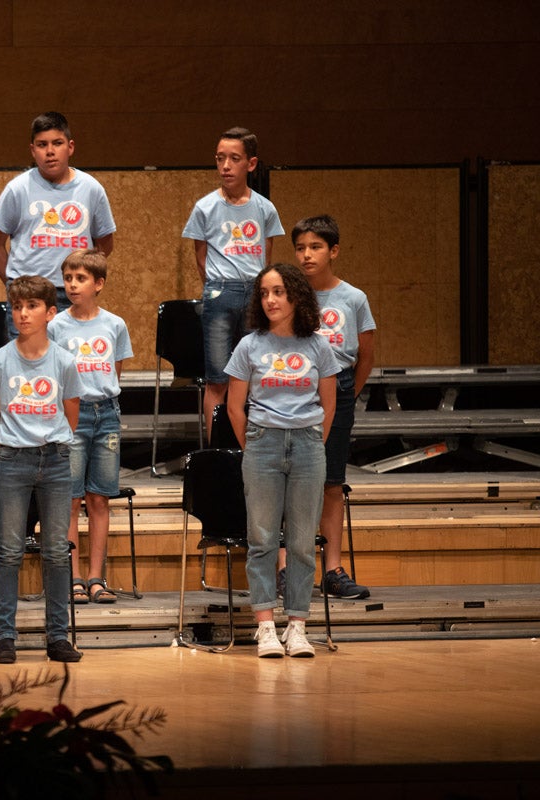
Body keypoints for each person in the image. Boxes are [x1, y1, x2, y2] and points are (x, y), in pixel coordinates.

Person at [225, 263, 337, 658]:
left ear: (296, 296)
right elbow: (235, 408)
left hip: (307, 443)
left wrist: (309, 442)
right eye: (264, 293)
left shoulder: (318, 346)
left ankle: (298, 626)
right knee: (262, 539)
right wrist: (257, 443)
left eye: (278, 292)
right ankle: (266, 627)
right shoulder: (249, 346)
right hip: (263, 444)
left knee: (304, 541)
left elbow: (329, 404)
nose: (270, 300)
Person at [0, 275, 82, 664]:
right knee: (9, 550)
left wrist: (51, 441)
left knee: (56, 551)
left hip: (55, 460)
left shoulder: (65, 361)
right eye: (17, 306)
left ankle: (58, 636)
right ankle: (5, 637)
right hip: (13, 461)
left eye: (32, 306)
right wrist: (8, 443)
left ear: (50, 312)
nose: (23, 313)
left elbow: (71, 412)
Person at [275, 215, 375, 600]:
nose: (306, 255)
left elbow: (364, 355)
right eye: (300, 248)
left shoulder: (353, 298)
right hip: (294, 388)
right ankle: (286, 569)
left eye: (315, 247)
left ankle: (332, 570)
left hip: (340, 388)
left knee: (332, 482)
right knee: (288, 478)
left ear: (333, 251)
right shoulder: (288, 295)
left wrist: (343, 393)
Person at [182, 127, 284, 438]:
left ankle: (254, 441)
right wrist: (215, 288)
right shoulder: (206, 207)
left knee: (255, 371)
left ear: (250, 164)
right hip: (220, 291)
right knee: (217, 377)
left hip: (254, 293)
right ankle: (216, 447)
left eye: (234, 159)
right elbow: (201, 257)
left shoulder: (264, 208)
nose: (225, 166)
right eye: (220, 158)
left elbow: (266, 257)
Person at [47, 249, 133, 605]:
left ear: (99, 284)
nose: (72, 285)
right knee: (70, 499)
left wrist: (103, 399)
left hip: (107, 414)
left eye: (80, 279)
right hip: (73, 414)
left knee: (99, 499)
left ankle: (97, 577)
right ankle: (73, 577)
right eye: (68, 278)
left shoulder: (114, 324)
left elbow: (116, 369)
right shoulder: (56, 326)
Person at [0, 111, 115, 335]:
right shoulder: (18, 189)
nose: (50, 151)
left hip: (72, 294)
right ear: (33, 150)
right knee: (28, 364)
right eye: (42, 145)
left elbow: (105, 242)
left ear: (70, 147)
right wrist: (13, 284)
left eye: (57, 143)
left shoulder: (91, 189)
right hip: (28, 296)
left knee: (71, 365)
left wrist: (85, 278)